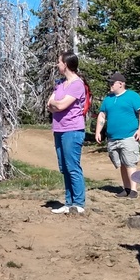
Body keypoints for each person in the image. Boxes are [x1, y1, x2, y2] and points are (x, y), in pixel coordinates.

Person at [47, 51, 88, 214]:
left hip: (73, 130)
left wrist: (55, 104)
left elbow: (61, 105)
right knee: (64, 167)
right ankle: (68, 202)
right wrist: (55, 104)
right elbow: (50, 103)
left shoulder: (77, 84)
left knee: (72, 166)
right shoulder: (60, 83)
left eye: (59, 62)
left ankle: (78, 203)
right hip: (59, 129)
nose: (57, 65)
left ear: (66, 64)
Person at [95, 71, 140, 198]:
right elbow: (102, 115)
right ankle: (127, 188)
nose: (110, 86)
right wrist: (98, 131)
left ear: (121, 84)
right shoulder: (108, 99)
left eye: (112, 83)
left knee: (130, 163)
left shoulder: (132, 96)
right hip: (113, 138)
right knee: (122, 164)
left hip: (129, 136)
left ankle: (134, 190)